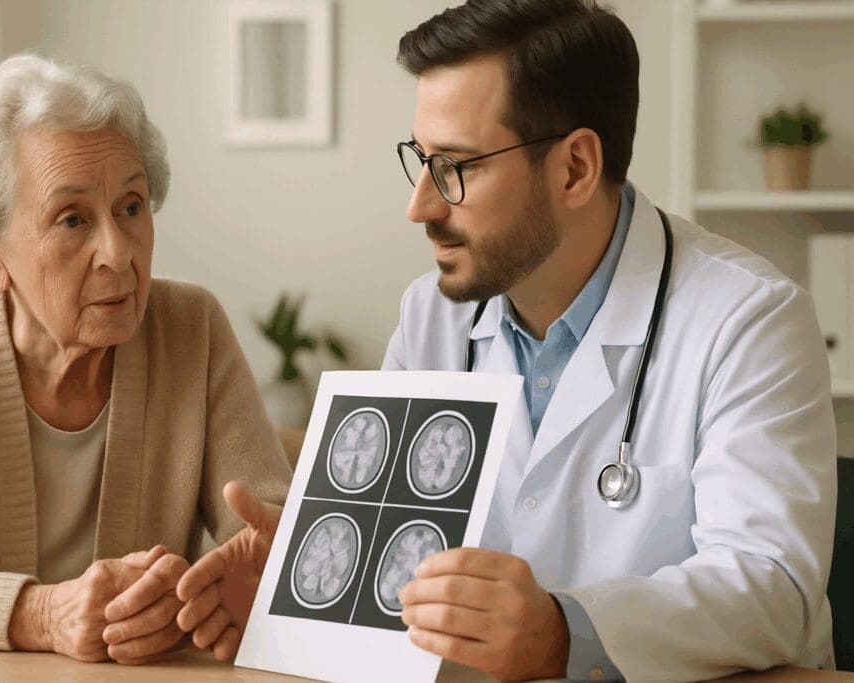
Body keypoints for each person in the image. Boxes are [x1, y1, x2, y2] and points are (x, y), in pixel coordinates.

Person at [174, 1, 838, 681]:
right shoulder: (432, 317)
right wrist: (309, 590)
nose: (421, 207)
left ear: (575, 168)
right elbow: (395, 577)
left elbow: (772, 586)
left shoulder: (749, 322)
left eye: (457, 167)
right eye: (421, 160)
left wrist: (564, 632)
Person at [0, 54, 292, 665]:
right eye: (72, 219)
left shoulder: (191, 329)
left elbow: (274, 531)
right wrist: (41, 613)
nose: (118, 253)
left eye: (131, 207)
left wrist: (259, 583)